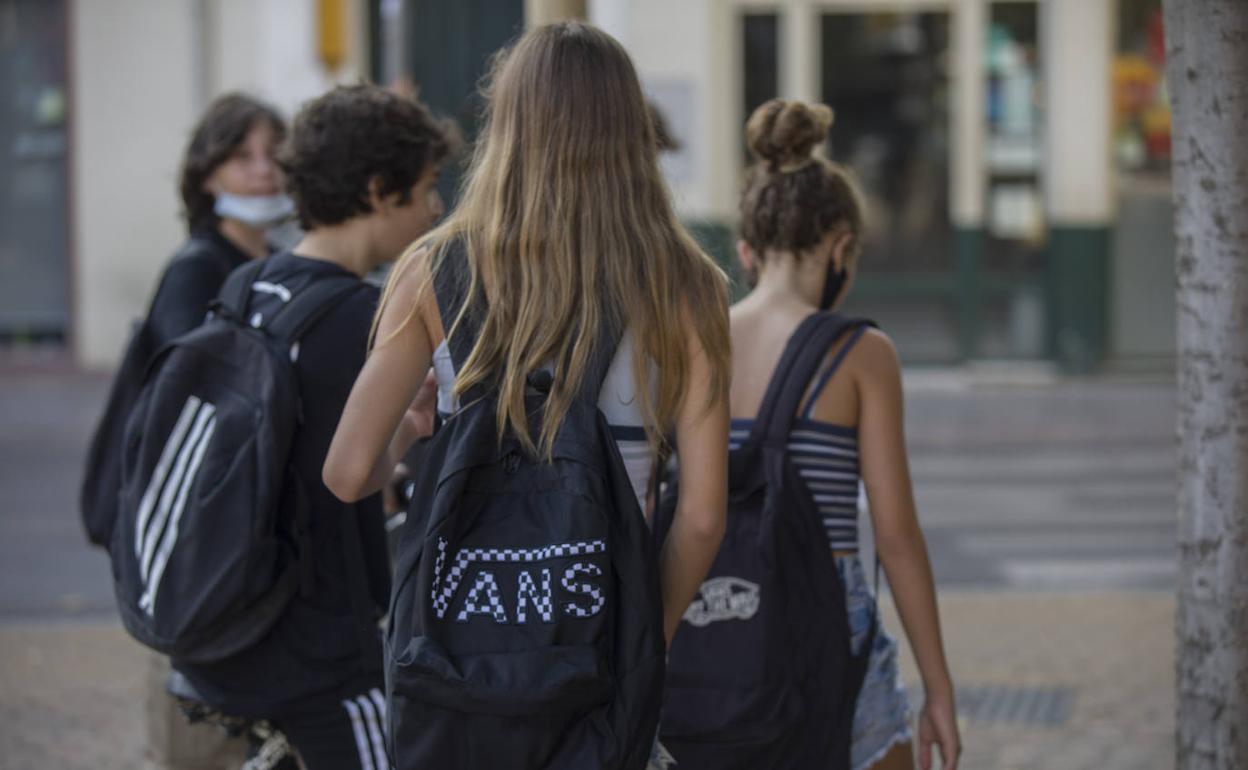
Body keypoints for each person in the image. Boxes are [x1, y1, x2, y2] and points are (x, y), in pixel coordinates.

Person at [322, 21, 732, 767]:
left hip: (455, 673)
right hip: (598, 665)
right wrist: (647, 635)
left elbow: (348, 473)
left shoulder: (431, 270)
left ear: (507, 125)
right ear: (628, 132)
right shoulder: (686, 283)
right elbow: (702, 518)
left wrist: (411, 430)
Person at [169, 84, 457, 770]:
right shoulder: (358, 315)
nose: (435, 209)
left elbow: (314, 462)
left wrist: (403, 429)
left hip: (236, 616)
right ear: (380, 191)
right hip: (319, 654)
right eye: (425, 188)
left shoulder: (251, 285)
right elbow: (350, 479)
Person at [729, 99, 960, 770]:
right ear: (841, 248)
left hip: (718, 610)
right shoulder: (860, 353)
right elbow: (895, 535)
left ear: (746, 252)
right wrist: (938, 689)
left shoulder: (698, 342)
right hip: (827, 615)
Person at [125, 92, 288, 770]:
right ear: (207, 173)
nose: (263, 170)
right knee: (196, 732)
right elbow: (189, 406)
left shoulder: (272, 260)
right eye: (242, 156)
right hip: (197, 528)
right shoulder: (197, 269)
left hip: (239, 527)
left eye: (273, 154)